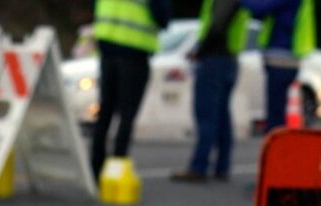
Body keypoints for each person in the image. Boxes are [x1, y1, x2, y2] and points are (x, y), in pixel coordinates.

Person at [89, 0, 174, 179]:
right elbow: (162, 16)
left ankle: (95, 168)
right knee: (127, 115)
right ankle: (116, 170)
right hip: (135, 52)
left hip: (108, 49)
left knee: (105, 111)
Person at [172, 0, 252, 181]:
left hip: (215, 59)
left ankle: (199, 166)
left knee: (207, 113)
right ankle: (222, 166)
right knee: (222, 115)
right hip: (228, 58)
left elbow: (217, 26)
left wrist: (200, 51)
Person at [244, 0, 314, 136]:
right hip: (291, 57)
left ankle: (275, 143)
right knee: (279, 108)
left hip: (280, 58)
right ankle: (278, 140)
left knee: (275, 111)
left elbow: (259, 8)